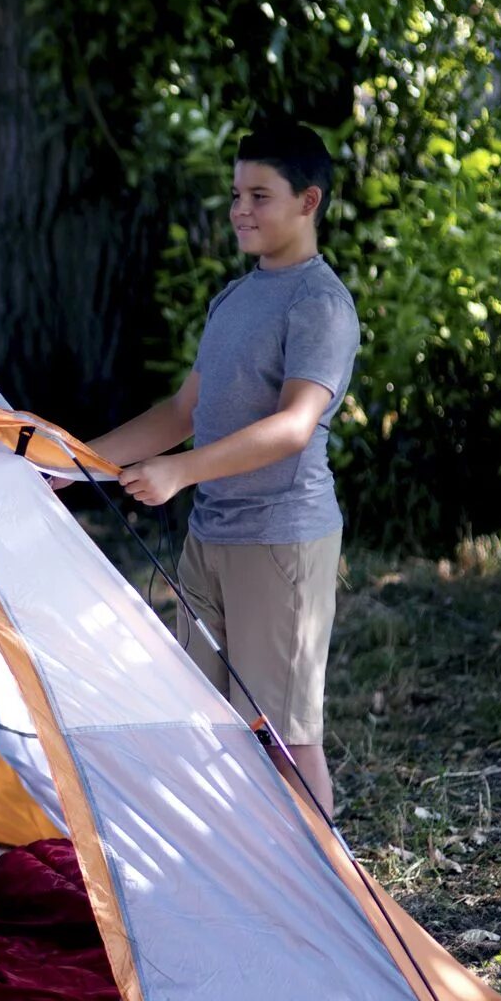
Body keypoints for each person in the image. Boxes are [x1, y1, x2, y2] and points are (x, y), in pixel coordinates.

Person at [84, 121, 359, 814]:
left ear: (308, 201)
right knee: (205, 722)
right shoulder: (235, 299)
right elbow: (181, 411)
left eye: (258, 195)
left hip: (279, 542)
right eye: (236, 193)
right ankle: (235, 885)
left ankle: (325, 903)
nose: (239, 209)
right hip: (211, 538)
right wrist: (71, 464)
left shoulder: (318, 305)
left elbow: (295, 425)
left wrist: (180, 473)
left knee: (285, 737)